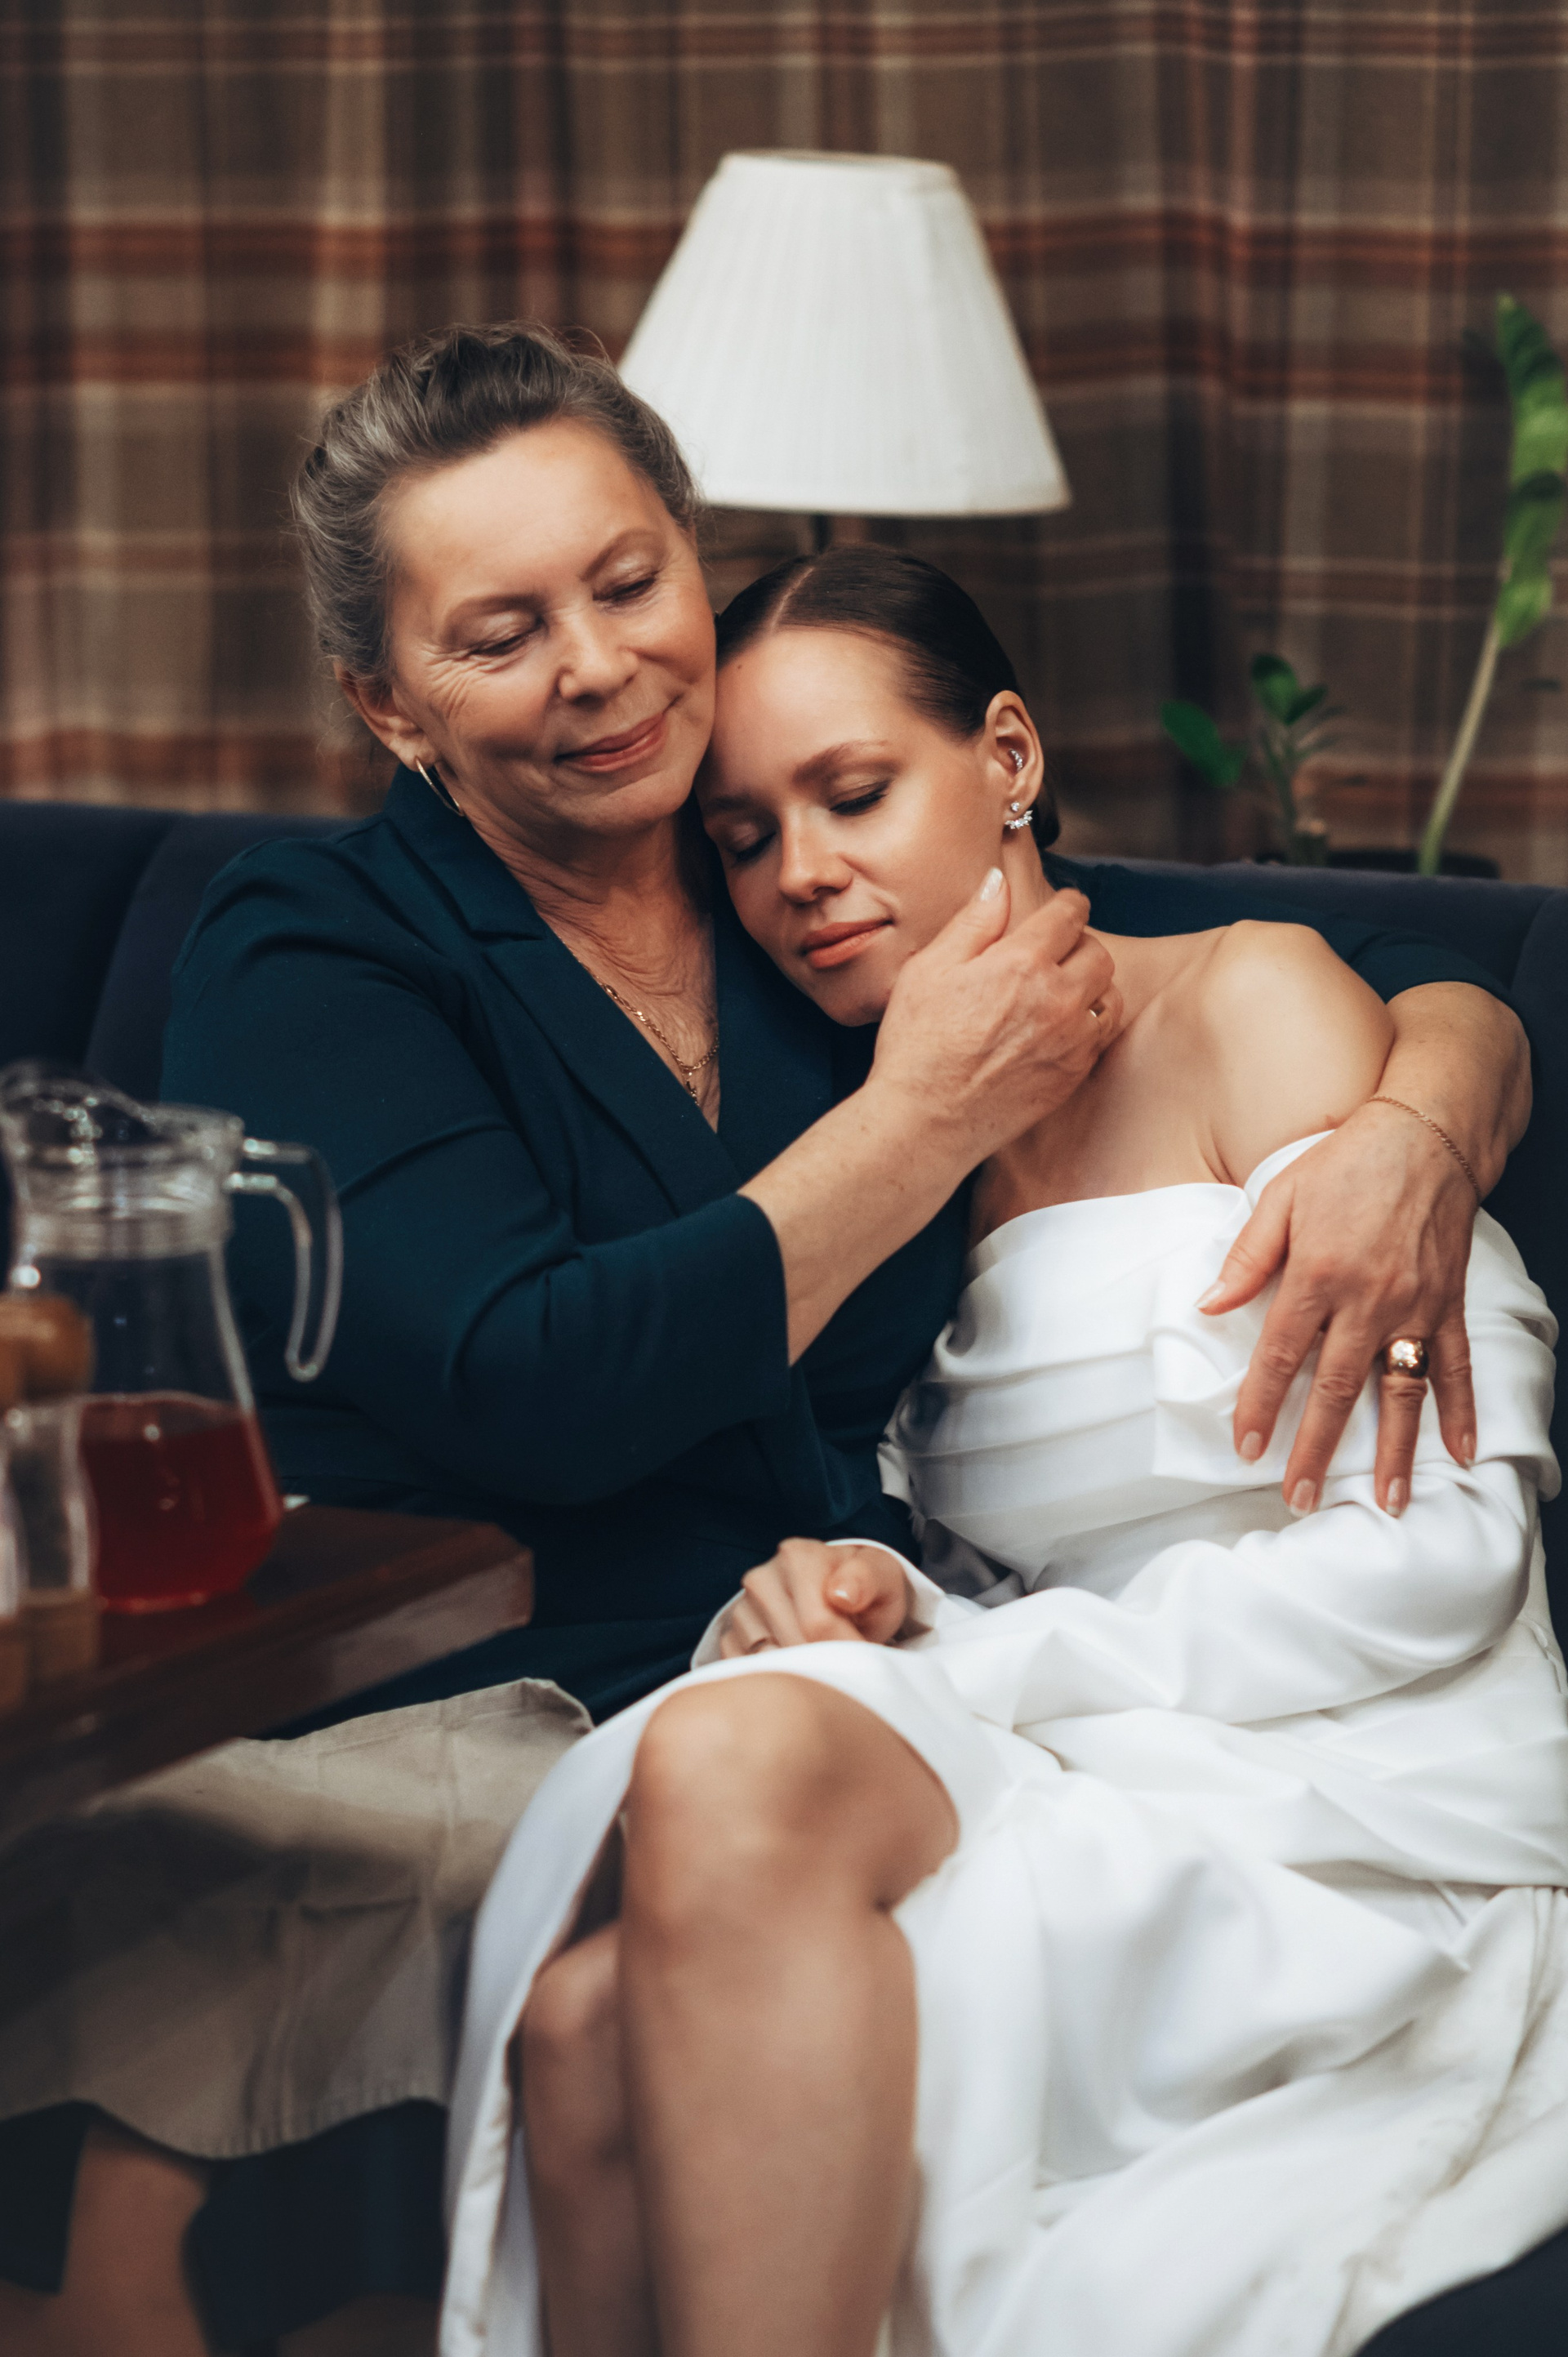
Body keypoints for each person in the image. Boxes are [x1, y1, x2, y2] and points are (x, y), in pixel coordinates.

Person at [0, 320, 1530, 2357]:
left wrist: (1428, 1107)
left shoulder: (794, 893)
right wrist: (920, 1124)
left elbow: (1325, 961)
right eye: (500, 633)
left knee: (617, 2009)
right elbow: (539, 1385)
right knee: (385, 2038)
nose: (595, 666)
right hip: (496, 1667)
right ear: (388, 701)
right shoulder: (325, 944)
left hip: (849, 1666)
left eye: (630, 583)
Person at [444, 547, 1568, 2357]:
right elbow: (953, 1526)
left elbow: (1444, 1555)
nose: (801, 874)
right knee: (580, 2031)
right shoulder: (880, 1139)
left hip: (1352, 1769)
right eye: (744, 837)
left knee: (703, 1817)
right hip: (1084, 1741)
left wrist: (979, 1664)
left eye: (855, 793)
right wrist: (873, 1590)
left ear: (1012, 757)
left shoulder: (1249, 1005)